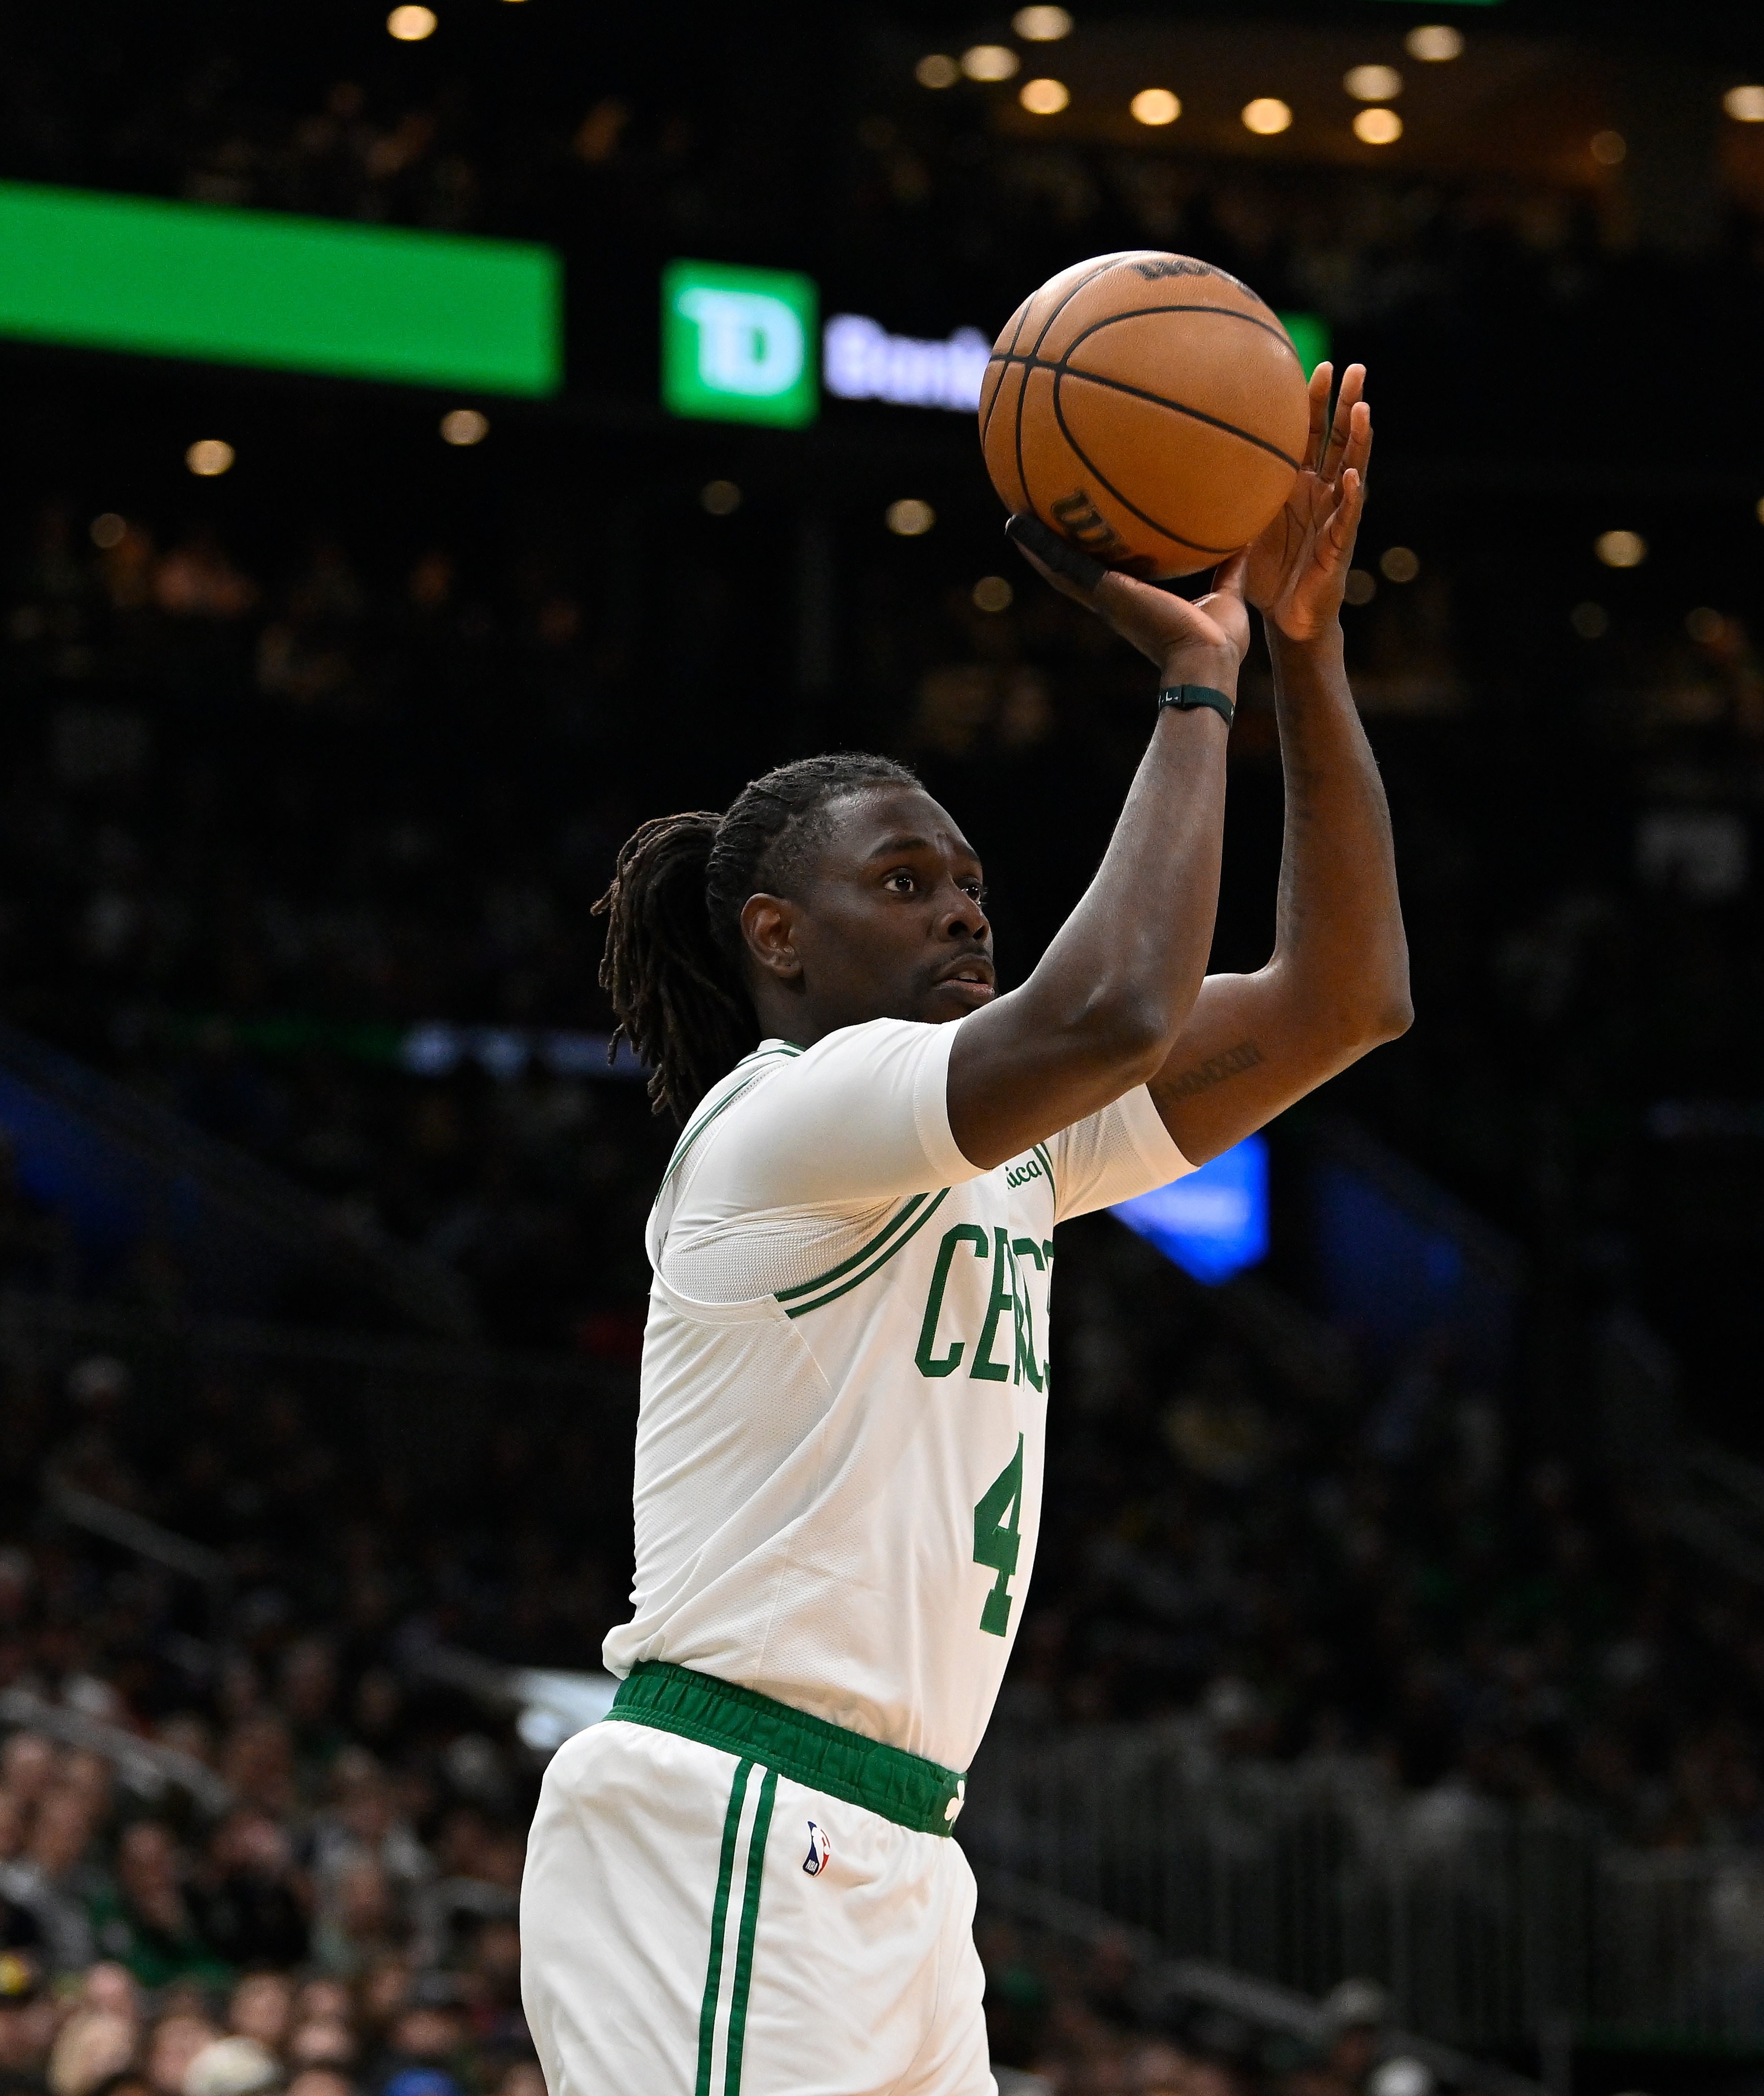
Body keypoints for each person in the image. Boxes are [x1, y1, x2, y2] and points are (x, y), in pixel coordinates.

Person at [523, 361, 1409, 2094]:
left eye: (972, 889)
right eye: (904, 886)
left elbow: (1346, 1001)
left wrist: (1307, 648)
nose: (961, 916)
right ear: (778, 937)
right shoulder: (789, 1120)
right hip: (732, 1817)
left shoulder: (1003, 1151)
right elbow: (1110, 1013)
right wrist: (1193, 678)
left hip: (901, 1851)